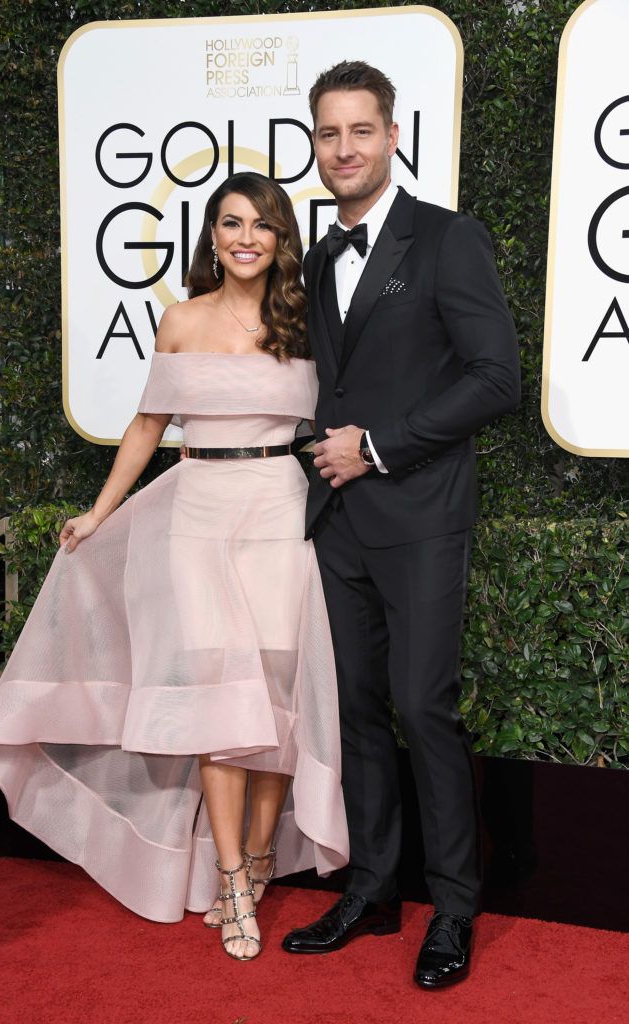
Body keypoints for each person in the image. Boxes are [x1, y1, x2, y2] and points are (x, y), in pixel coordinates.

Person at [0, 172, 348, 960]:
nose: (246, 237)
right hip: (198, 510)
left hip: (279, 507)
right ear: (211, 235)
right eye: (231, 222)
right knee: (216, 698)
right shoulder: (178, 320)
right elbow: (147, 425)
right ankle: (232, 877)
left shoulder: (308, 321)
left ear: (281, 239)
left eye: (262, 225)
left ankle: (266, 854)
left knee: (275, 700)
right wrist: (101, 512)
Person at [281, 62, 520, 988]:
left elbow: (495, 378)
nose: (344, 149)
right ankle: (375, 889)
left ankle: (453, 909)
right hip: (334, 522)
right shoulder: (314, 254)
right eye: (328, 134)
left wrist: (376, 447)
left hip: (418, 516)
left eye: (361, 131)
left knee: (424, 708)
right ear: (316, 144)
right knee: (357, 715)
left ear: (391, 137)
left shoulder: (447, 239)